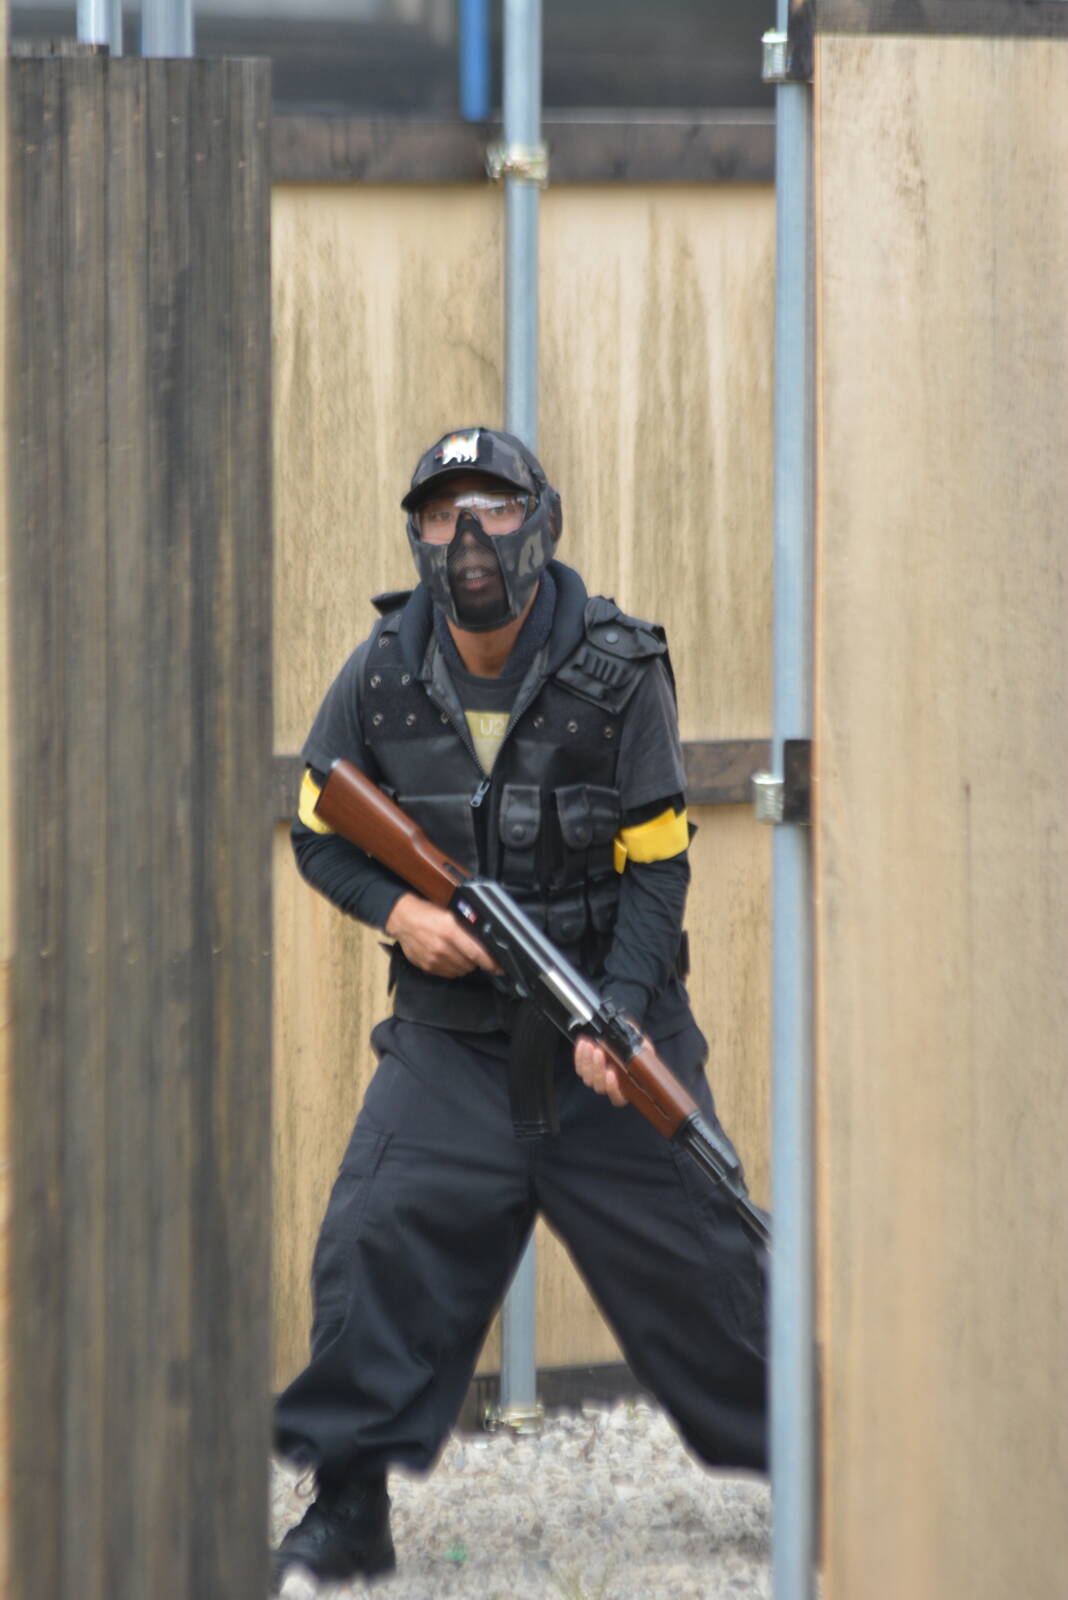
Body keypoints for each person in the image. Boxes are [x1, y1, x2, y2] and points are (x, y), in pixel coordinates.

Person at [271, 426, 767, 1590]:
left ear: (540, 522)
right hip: (451, 1047)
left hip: (606, 1024)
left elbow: (659, 865)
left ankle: (827, 1470)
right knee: (372, 1240)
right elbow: (317, 825)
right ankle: (348, 1510)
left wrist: (621, 1014)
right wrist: (402, 913)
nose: (469, 536)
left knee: (716, 1268)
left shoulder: (620, 669)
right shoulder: (379, 672)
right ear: (417, 535)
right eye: (443, 513)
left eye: (493, 507)